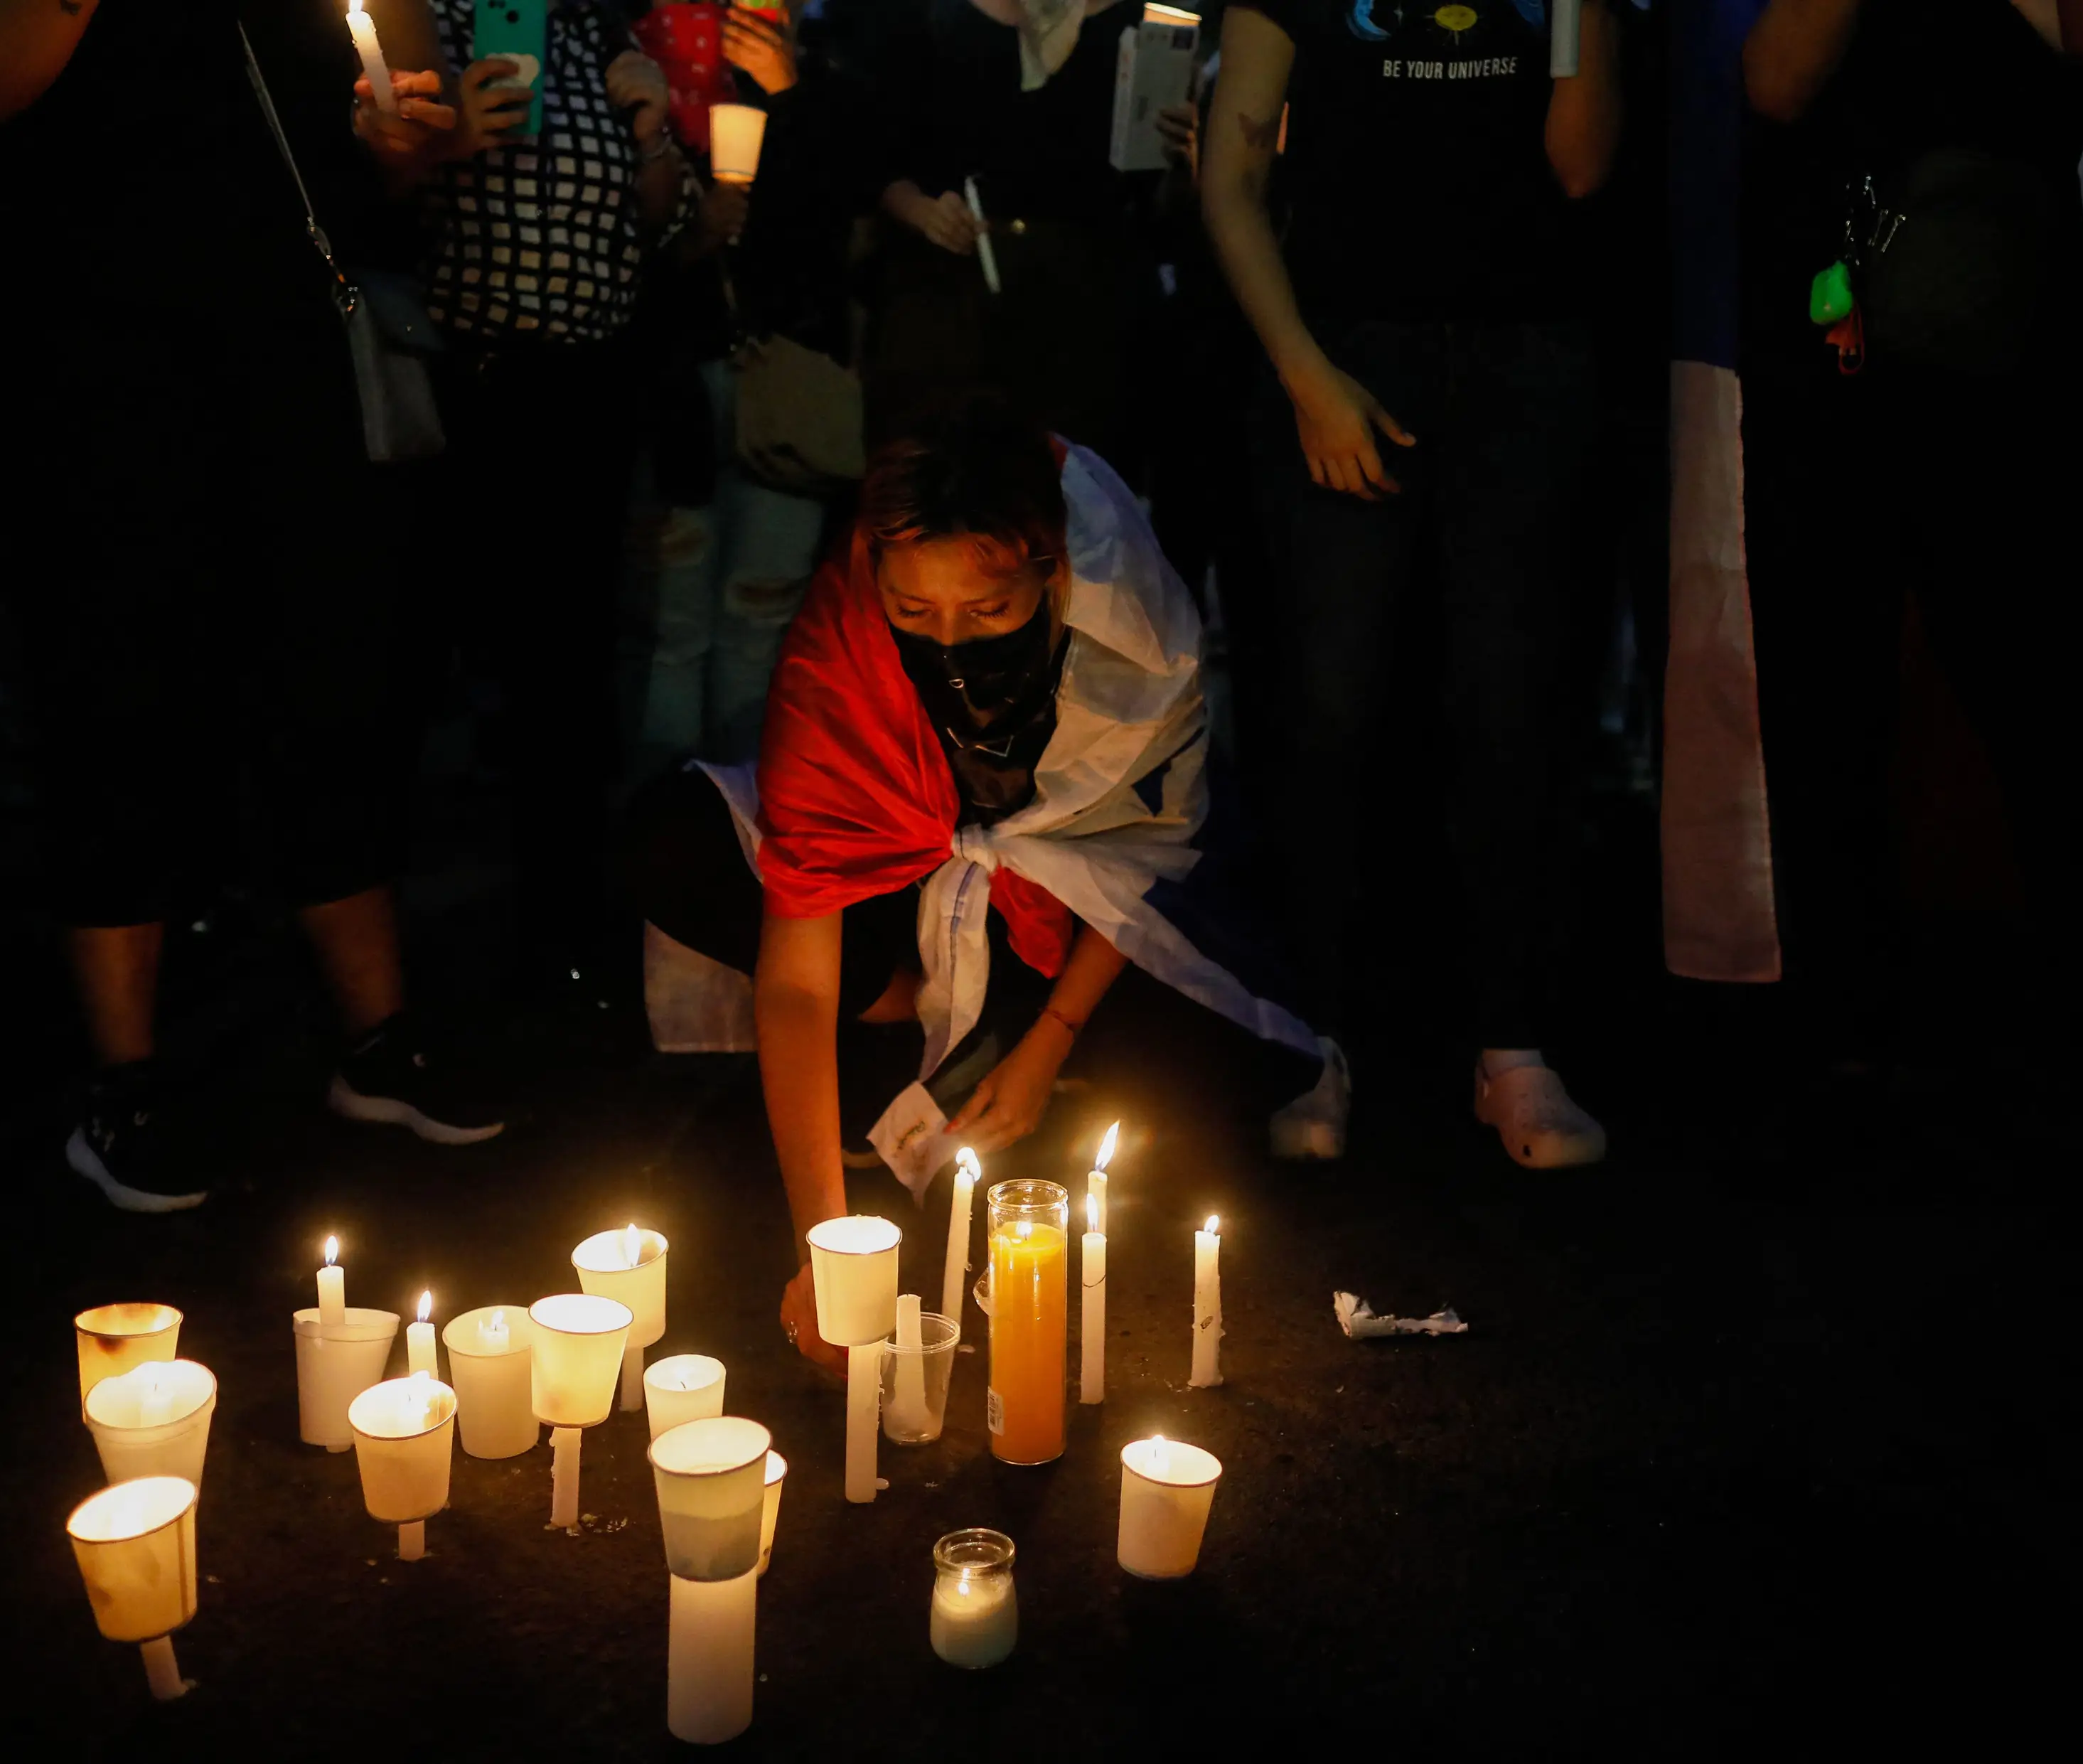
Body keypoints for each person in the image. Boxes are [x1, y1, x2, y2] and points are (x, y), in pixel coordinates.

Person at [0, 0, 501, 1213]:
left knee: (332, 682)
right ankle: (126, 1074)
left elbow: (394, 95)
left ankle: (377, 1036)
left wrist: (408, 131)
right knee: (112, 696)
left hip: (283, 343)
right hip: (81, 360)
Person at [623, 402, 1342, 1376]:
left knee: (1202, 1107)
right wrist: (821, 1253)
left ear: (1051, 570)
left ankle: (999, 1036)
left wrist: (1053, 1040)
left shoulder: (1129, 616)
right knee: (666, 838)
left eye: (990, 610)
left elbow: (1141, 857)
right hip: (912, 891)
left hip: (1071, 920)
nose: (950, 641)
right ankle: (902, 1031)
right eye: (914, 612)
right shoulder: (839, 656)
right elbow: (795, 977)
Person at [1737, 0, 2083, 1163]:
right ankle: (1851, 1038)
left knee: (2061, 708)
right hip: (1845, 336)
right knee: (1832, 706)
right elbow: (1775, 81)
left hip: (2014, 335)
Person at [1201, 0, 1623, 1169]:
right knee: (1329, 708)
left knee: (1515, 704)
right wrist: (1305, 376)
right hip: (1345, 347)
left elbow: (1582, 166)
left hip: (1527, 361)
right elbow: (1230, 179)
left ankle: (1512, 1046)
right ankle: (1317, 1035)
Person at [358, 0, 697, 1000]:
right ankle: (378, 955)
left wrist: (650, 132)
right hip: (459, 386)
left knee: (568, 678)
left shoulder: (598, 34)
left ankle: (558, 937)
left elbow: (669, 225)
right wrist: (444, 125)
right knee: (413, 670)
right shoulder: (430, 24)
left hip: (585, 398)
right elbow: (376, 183)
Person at [623, 0, 877, 782]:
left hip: (785, 385)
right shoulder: (629, 54)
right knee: (672, 624)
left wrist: (789, 91)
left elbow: (844, 221)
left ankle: (735, 824)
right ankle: (665, 834)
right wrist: (690, 233)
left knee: (760, 618)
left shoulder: (830, 68)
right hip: (672, 381)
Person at [863, 0, 1172, 468]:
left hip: (1090, 312)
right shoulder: (928, 17)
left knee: (1082, 499)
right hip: (959, 305)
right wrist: (924, 212)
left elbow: (1154, 195)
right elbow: (876, 159)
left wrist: (1184, 149)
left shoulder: (1143, 22)